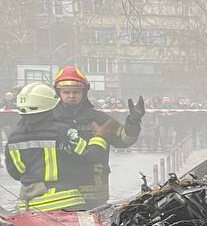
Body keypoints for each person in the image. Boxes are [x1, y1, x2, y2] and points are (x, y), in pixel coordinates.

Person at [5, 82, 109, 212]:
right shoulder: (62, 131)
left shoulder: (13, 138)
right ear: (51, 106)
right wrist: (99, 137)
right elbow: (91, 156)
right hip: (66, 205)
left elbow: (15, 172)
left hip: (29, 208)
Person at [52, 66, 145, 208]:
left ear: (84, 93)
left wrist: (133, 121)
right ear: (58, 93)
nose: (71, 96)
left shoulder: (99, 118)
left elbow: (124, 139)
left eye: (76, 92)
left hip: (95, 194)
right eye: (66, 92)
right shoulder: (51, 119)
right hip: (62, 195)